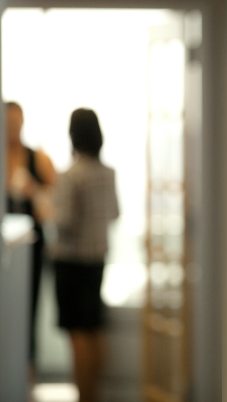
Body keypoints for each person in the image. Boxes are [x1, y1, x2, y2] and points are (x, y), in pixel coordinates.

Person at [52, 108, 119, 402]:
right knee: (93, 328)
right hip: (97, 260)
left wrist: (45, 206)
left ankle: (84, 395)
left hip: (71, 261)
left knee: (77, 332)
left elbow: (64, 222)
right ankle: (95, 394)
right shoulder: (108, 174)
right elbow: (116, 213)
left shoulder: (70, 176)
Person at [5, 101, 56, 371]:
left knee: (28, 310)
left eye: (17, 122)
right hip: (6, 248)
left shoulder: (38, 158)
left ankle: (27, 373)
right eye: (8, 122)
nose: (13, 128)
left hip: (31, 249)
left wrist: (33, 191)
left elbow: (54, 206)